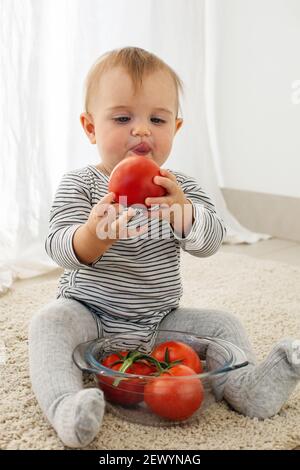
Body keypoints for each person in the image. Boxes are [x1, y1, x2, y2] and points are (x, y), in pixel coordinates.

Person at [28, 47, 300, 448]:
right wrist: (92, 236)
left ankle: (247, 388)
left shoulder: (181, 189)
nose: (142, 130)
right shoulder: (81, 185)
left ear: (176, 127)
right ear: (90, 127)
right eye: (123, 118)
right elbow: (58, 245)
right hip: (90, 313)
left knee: (224, 324)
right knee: (48, 322)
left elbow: (210, 242)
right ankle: (67, 406)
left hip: (158, 320)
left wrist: (186, 215)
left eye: (157, 119)